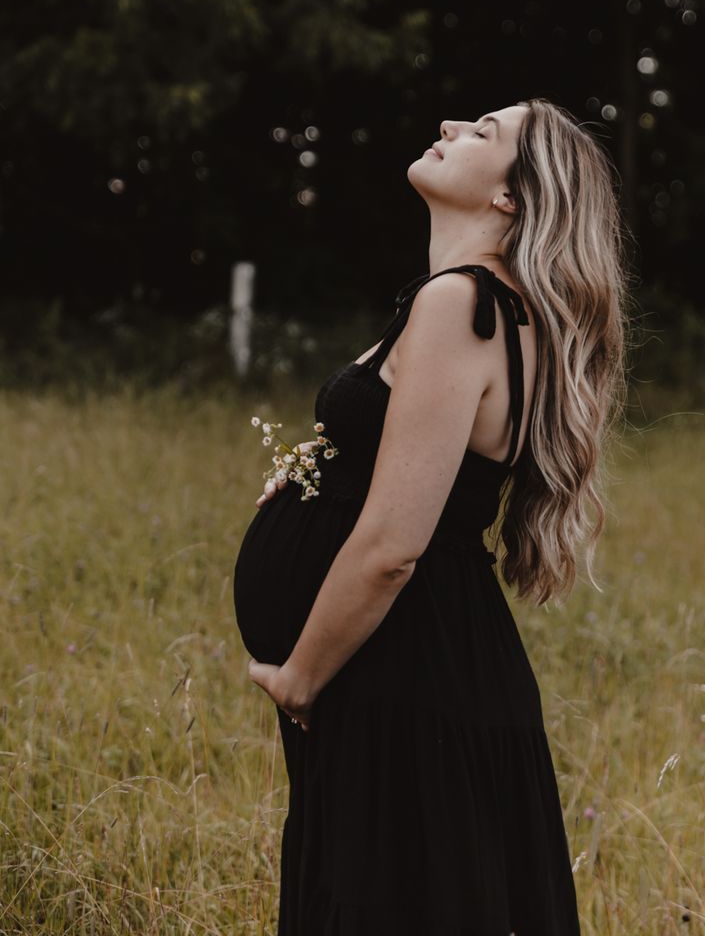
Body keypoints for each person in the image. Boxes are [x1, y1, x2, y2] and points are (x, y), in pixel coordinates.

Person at [233, 96, 629, 935]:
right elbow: (419, 469)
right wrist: (314, 476)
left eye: (484, 132)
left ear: (511, 197)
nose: (451, 127)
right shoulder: (494, 309)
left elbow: (394, 548)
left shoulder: (463, 304)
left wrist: (302, 674)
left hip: (406, 673)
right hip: (423, 668)